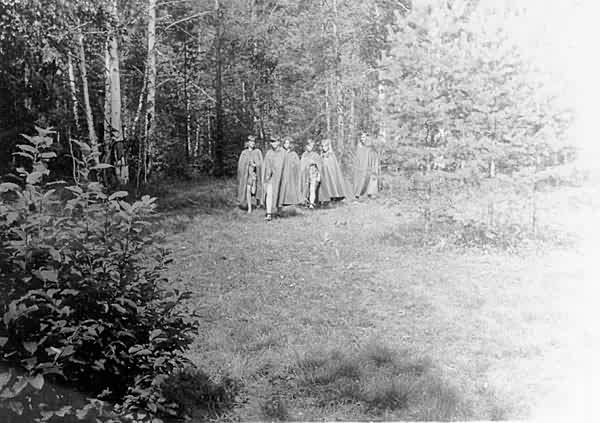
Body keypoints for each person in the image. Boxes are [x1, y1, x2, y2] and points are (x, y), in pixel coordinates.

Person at [262, 136, 287, 221]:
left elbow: (286, 166)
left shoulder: (283, 153)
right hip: (271, 178)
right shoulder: (269, 153)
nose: (273, 143)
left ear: (279, 142)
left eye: (275, 141)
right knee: (269, 194)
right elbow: (266, 165)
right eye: (272, 142)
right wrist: (267, 176)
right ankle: (269, 214)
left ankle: (279, 212)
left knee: (280, 194)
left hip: (281, 178)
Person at [237, 135, 263, 212]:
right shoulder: (244, 153)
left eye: (253, 141)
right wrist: (247, 165)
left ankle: (258, 203)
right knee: (248, 190)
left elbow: (261, 163)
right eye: (251, 141)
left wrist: (255, 165)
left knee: (255, 191)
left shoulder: (258, 152)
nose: (252, 143)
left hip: (255, 175)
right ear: (247, 143)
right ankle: (249, 208)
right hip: (247, 175)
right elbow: (241, 165)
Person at [319, 138, 350, 204]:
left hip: (331, 174)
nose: (324, 148)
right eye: (322, 146)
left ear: (328, 146)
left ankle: (335, 195)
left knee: (332, 182)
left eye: (325, 146)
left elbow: (333, 166)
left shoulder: (331, 155)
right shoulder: (321, 155)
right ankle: (326, 196)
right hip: (324, 174)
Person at [352, 131, 379, 199]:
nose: (362, 139)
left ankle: (370, 193)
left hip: (370, 166)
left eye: (364, 137)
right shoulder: (360, 146)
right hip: (362, 167)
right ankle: (359, 192)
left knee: (370, 178)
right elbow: (358, 157)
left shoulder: (370, 147)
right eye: (361, 137)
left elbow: (374, 156)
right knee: (362, 178)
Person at [280, 136, 302, 207]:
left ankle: (290, 201)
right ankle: (282, 200)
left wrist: (293, 165)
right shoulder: (281, 152)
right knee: (283, 187)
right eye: (285, 143)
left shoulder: (293, 154)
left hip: (291, 174)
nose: (286, 145)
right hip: (283, 173)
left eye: (288, 143)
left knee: (290, 187)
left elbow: (298, 164)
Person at [300, 139, 322, 208]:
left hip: (313, 174)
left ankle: (311, 203)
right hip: (305, 174)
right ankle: (306, 202)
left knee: (312, 189)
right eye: (308, 146)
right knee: (306, 189)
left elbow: (319, 166)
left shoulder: (315, 155)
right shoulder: (304, 154)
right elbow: (302, 164)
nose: (310, 147)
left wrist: (319, 175)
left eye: (311, 146)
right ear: (306, 146)